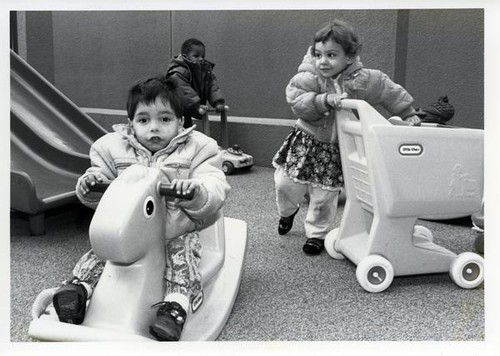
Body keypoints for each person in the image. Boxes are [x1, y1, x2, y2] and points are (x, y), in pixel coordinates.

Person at [46, 76, 230, 341]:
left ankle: (174, 307)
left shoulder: (199, 149)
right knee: (104, 250)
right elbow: (101, 192)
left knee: (182, 255)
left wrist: (195, 191)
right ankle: (77, 289)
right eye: (144, 120)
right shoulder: (112, 148)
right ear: (131, 125)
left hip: (174, 229)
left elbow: (215, 184)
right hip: (131, 232)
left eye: (165, 119)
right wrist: (89, 185)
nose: (154, 128)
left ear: (181, 122)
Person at [273, 19, 421, 256]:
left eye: (331, 55)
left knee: (324, 196)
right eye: (318, 54)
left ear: (349, 57)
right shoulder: (309, 76)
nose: (323, 61)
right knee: (286, 185)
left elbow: (387, 90)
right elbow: (296, 100)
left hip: (334, 148)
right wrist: (322, 100)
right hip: (306, 141)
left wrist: (407, 113)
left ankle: (316, 234)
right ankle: (287, 211)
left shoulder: (362, 80)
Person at [166, 38, 225, 128]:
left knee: (188, 128)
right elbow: (183, 89)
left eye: (203, 56)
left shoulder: (205, 70)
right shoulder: (178, 71)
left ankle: (187, 138)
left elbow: (212, 86)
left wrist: (218, 102)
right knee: (179, 126)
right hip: (176, 107)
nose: (201, 59)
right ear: (185, 56)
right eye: (196, 56)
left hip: (190, 106)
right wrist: (196, 105)